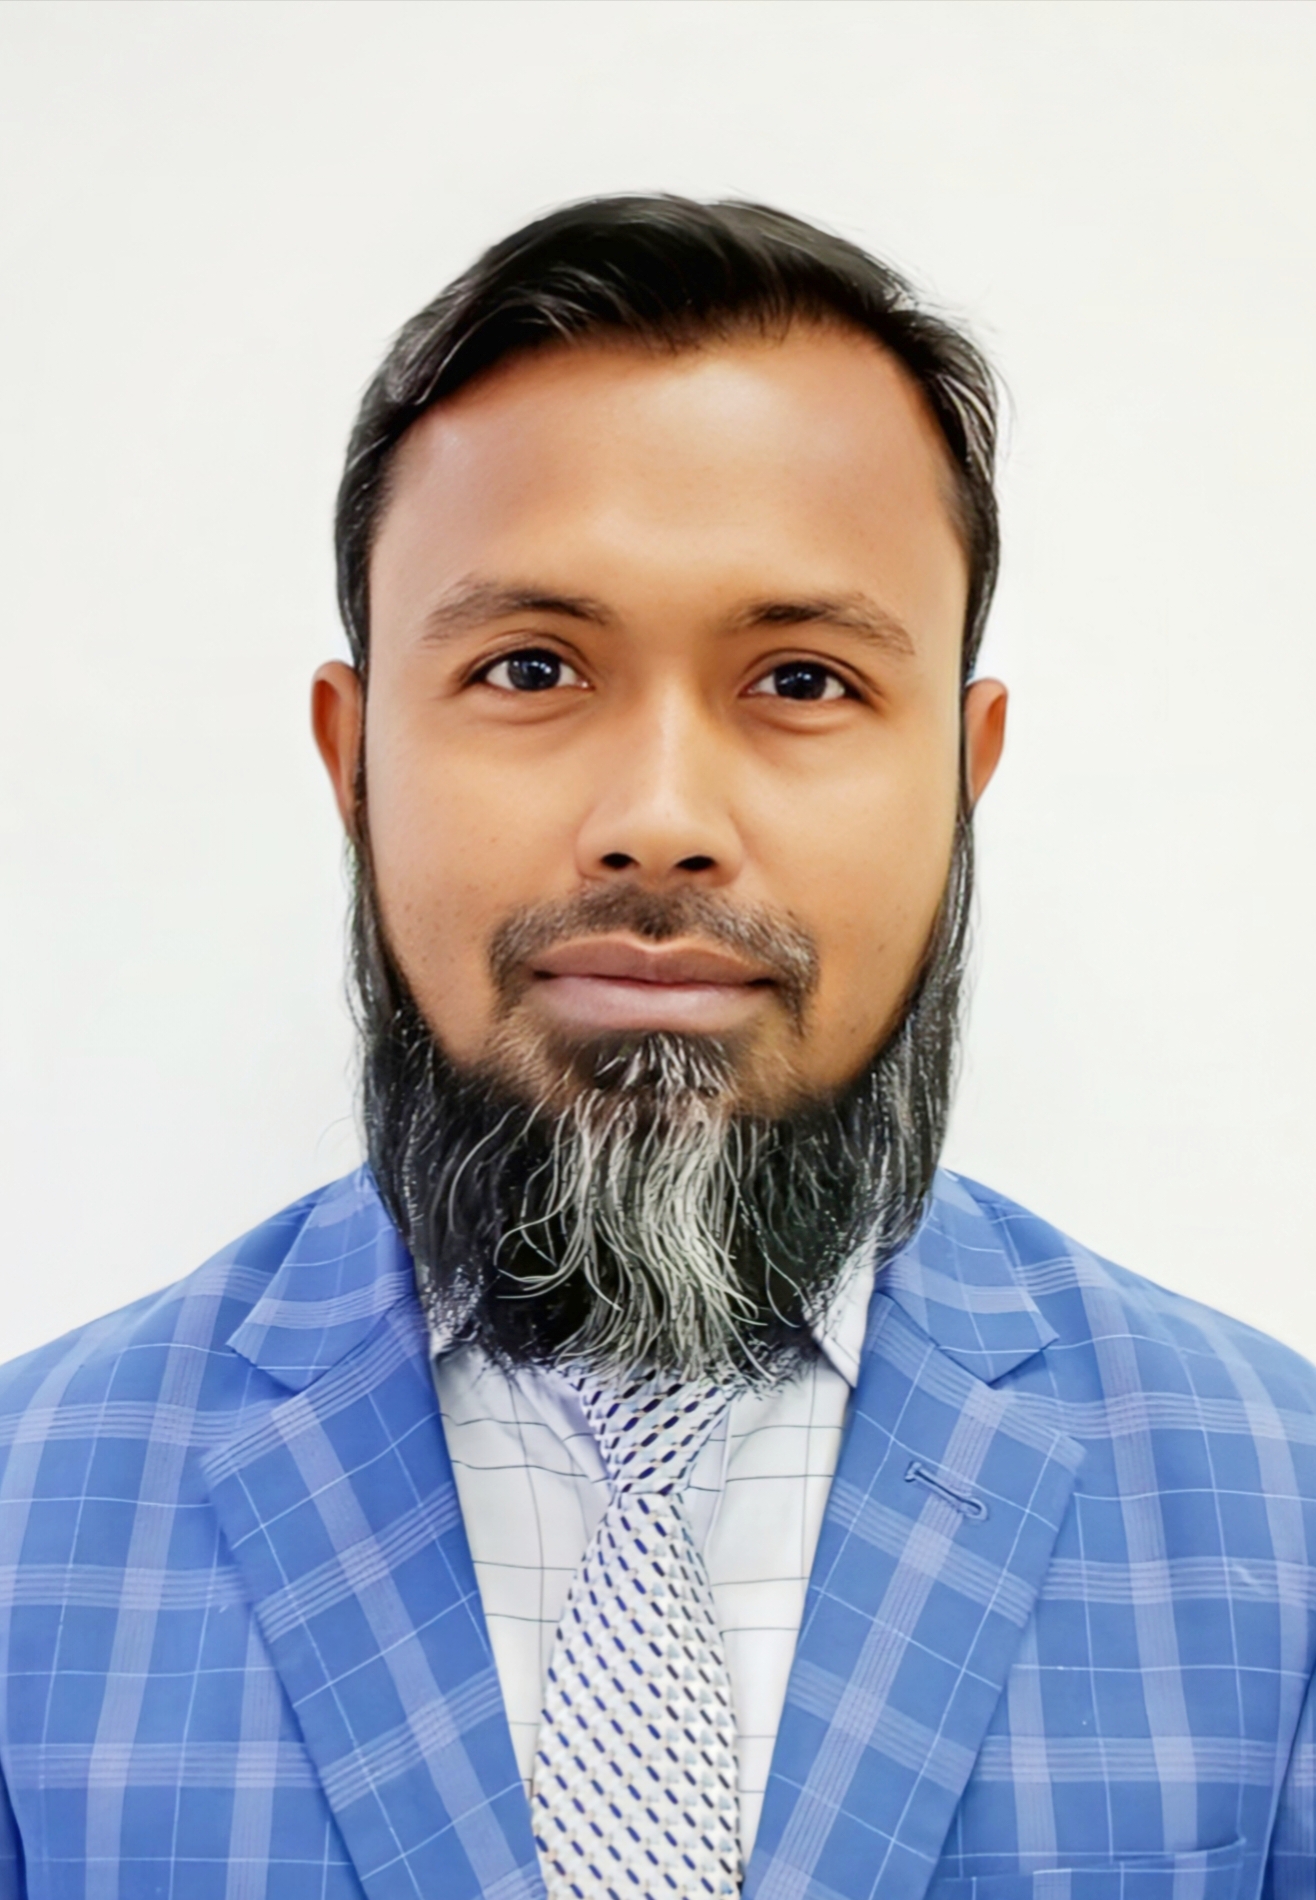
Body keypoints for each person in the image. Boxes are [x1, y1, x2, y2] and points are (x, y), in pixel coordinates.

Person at [0, 195, 1310, 1900]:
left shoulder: (1283, 1515)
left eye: (805, 681)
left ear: (963, 770)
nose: (663, 818)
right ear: (355, 759)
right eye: (532, 666)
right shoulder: (27, 1521)